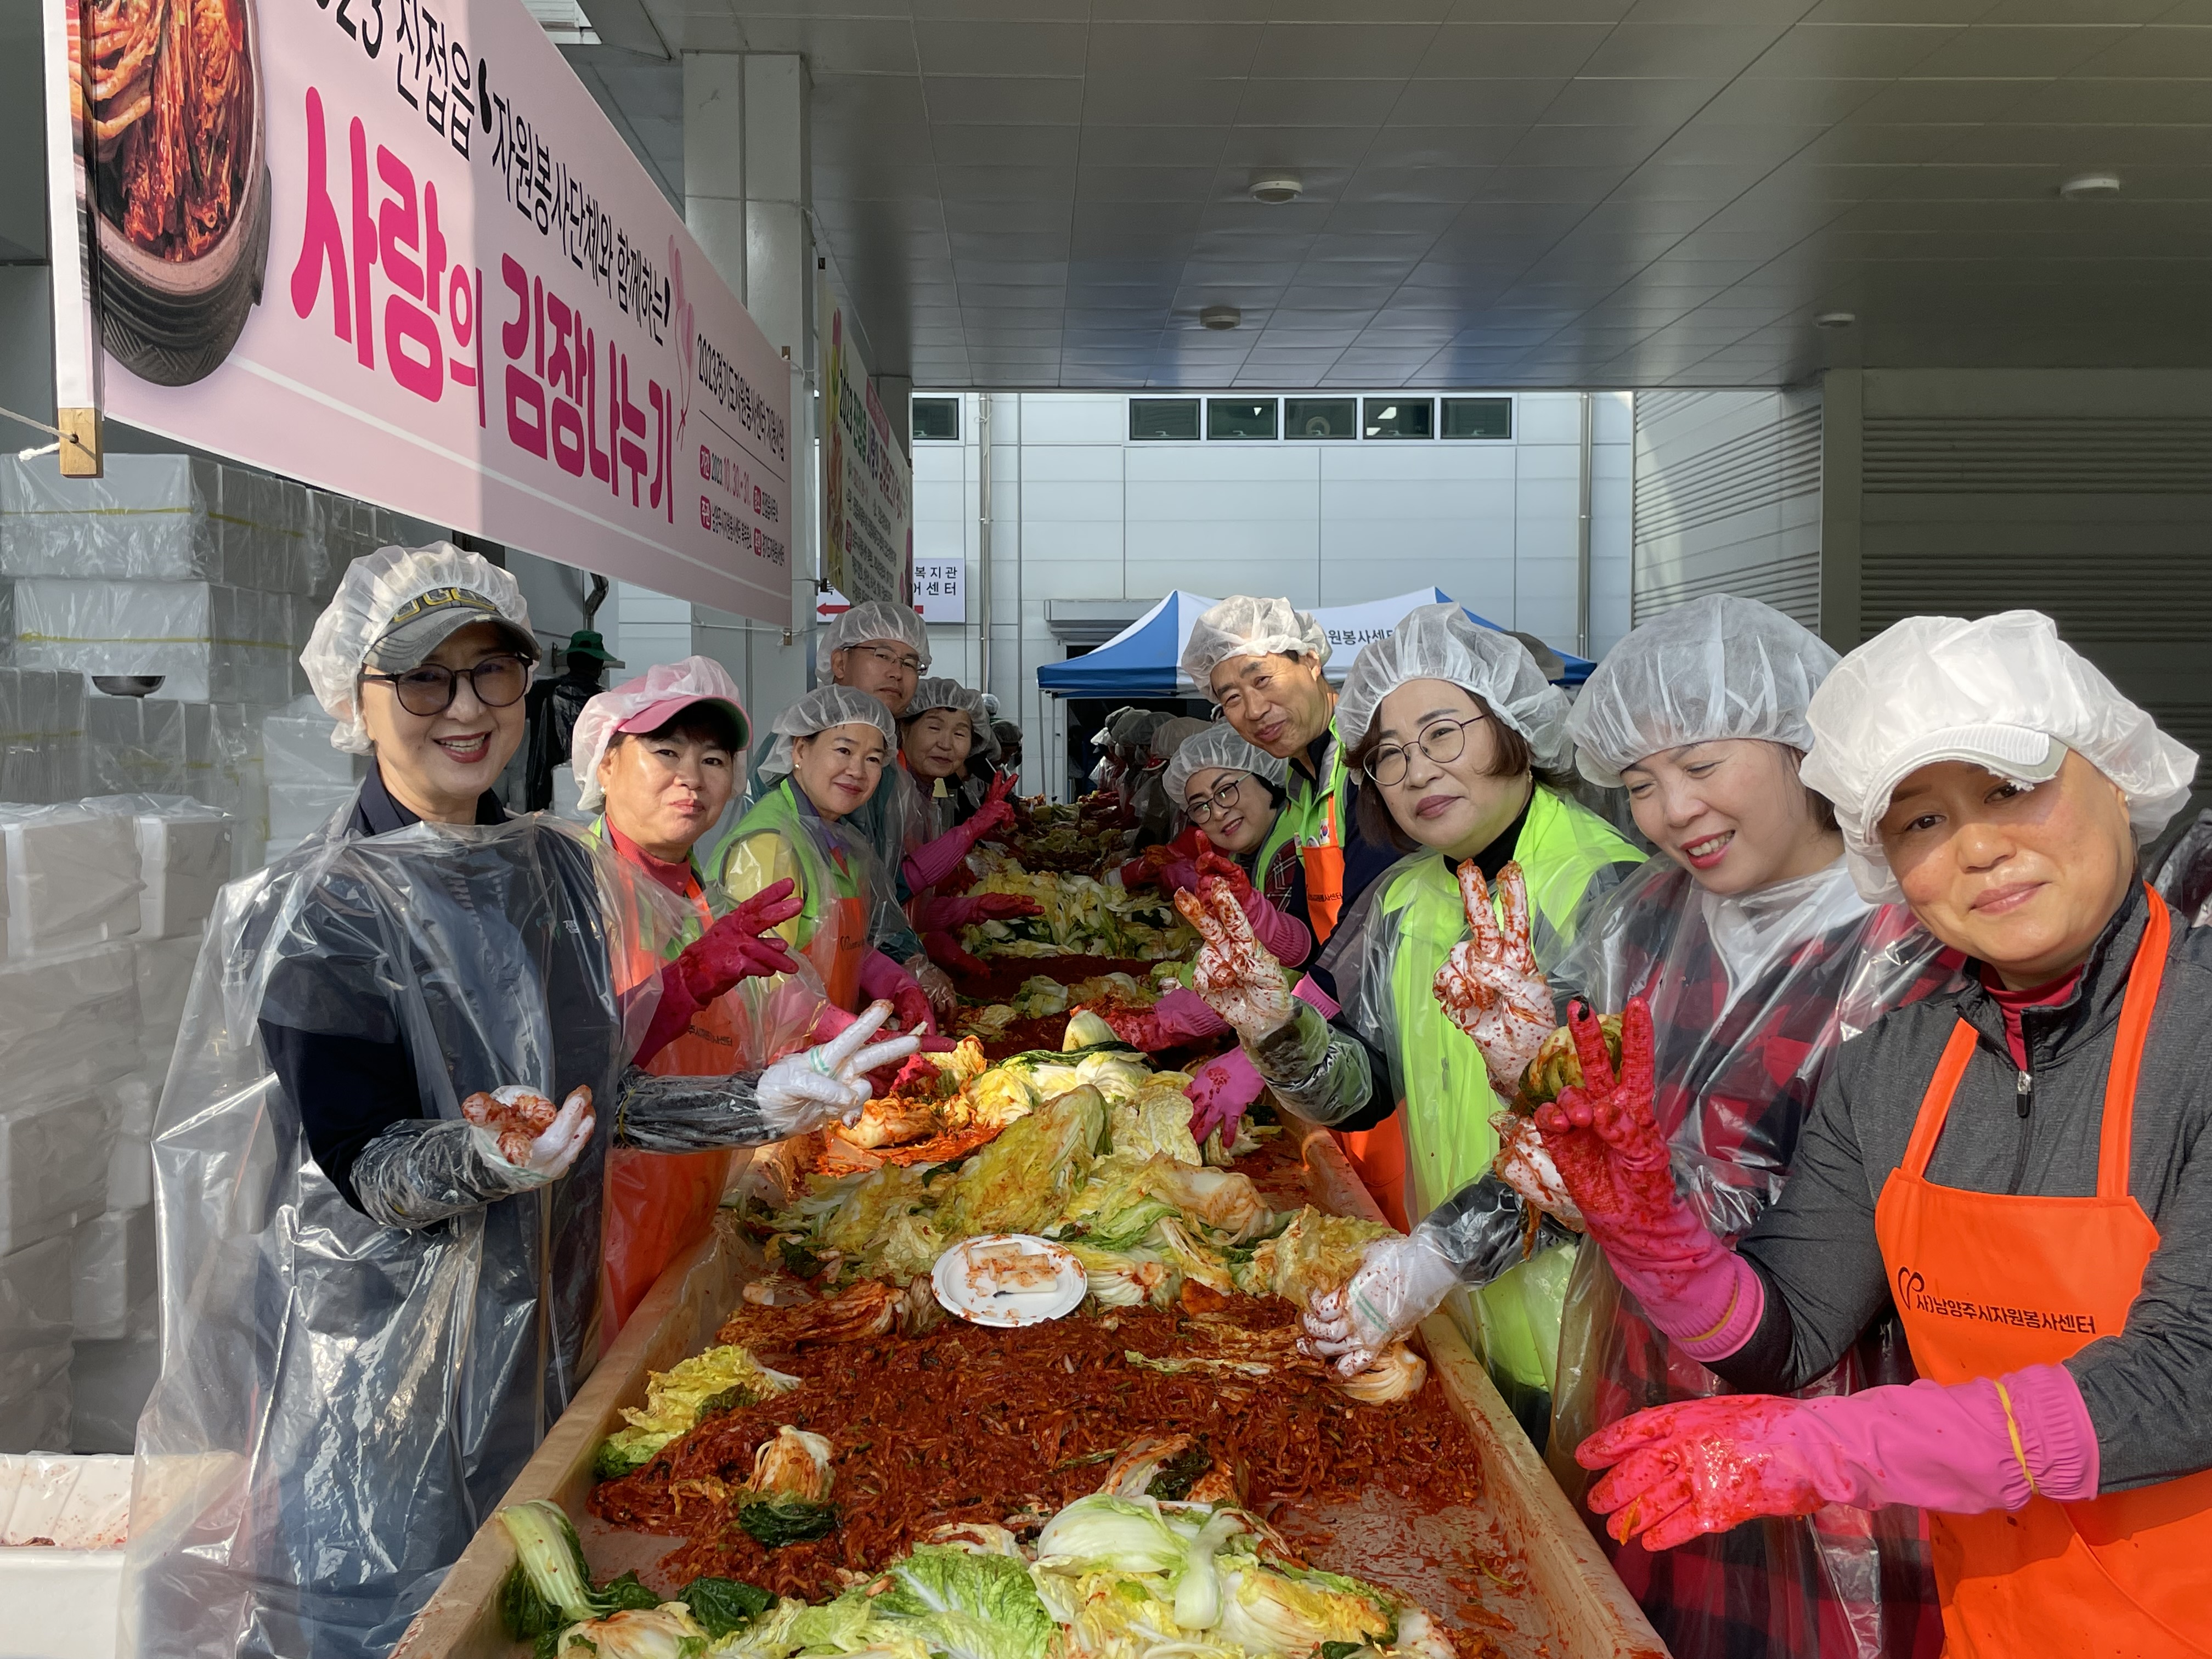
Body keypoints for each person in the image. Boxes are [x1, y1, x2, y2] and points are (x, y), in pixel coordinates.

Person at [124, 547, 918, 1659]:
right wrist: (489, 1159)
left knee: (518, 1605)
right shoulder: (322, 905)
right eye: (422, 680)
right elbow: (365, 1162)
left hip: (542, 1324)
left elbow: (605, 1106)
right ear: (356, 698)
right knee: (389, 1618)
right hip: (375, 1367)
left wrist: (759, 1103)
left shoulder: (549, 873)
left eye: (491, 672)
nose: (464, 709)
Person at [1544, 611, 2207, 1659]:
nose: (1978, 846)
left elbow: (2183, 1379)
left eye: (2006, 788)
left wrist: (1825, 1446)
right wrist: (1649, 1228)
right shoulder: (1896, 1062)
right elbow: (1791, 1329)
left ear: (2115, 773)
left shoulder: (2197, 1035)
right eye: (1919, 821)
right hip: (1986, 1612)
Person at [1308, 596, 1959, 1658]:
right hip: (1638, 1379)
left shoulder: (1912, 944)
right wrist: (1441, 1234)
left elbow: (1812, 1241)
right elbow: (1580, 1161)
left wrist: (1591, 1154)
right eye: (1643, 781)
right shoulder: (1644, 923)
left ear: (1804, 736)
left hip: (1834, 1428)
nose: (1670, 810)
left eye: (1699, 761)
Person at [1181, 603, 1640, 1424]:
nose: (1417, 771)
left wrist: (1431, 1259)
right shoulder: (1408, 895)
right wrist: (1277, 1030)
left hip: (1590, 1331)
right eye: (1389, 755)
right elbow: (1364, 1086)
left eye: (1442, 734)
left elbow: (1606, 1148)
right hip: (1457, 1313)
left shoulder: (1608, 893)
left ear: (1513, 727)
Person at [574, 656, 832, 1336]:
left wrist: (842, 1028)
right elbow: (565, 1071)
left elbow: (766, 1017)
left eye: (714, 760)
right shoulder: (571, 890)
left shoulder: (701, 899)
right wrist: (683, 983)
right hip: (600, 1224)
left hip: (694, 1194)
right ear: (604, 764)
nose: (691, 777)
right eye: (665, 751)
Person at [1178, 597, 1406, 1205]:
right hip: (1348, 1046)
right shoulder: (1308, 782)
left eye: (1262, 679)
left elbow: (1370, 941)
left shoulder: (1369, 766)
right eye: (1229, 697)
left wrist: (1265, 1052)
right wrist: (1261, 920)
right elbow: (1316, 936)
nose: (1253, 710)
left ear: (1311, 659)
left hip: (1404, 1046)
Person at [710, 685, 942, 1039]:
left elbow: (839, 948)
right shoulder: (770, 845)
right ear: (800, 749)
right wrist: (844, 1031)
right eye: (844, 750)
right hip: (769, 1069)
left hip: (824, 1059)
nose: (857, 770)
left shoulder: (845, 841)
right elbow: (760, 986)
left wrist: (897, 984)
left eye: (873, 759)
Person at [894, 677, 1041, 977]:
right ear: (904, 728)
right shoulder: (888, 791)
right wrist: (972, 829)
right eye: (934, 728)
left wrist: (972, 909)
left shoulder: (928, 795)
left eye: (960, 733)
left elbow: (908, 910)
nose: (946, 744)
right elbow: (891, 890)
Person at [523, 627, 617, 811]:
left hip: (543, 790)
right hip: (592, 795)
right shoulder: (607, 702)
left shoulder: (541, 692)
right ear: (599, 667)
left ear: (569, 661)